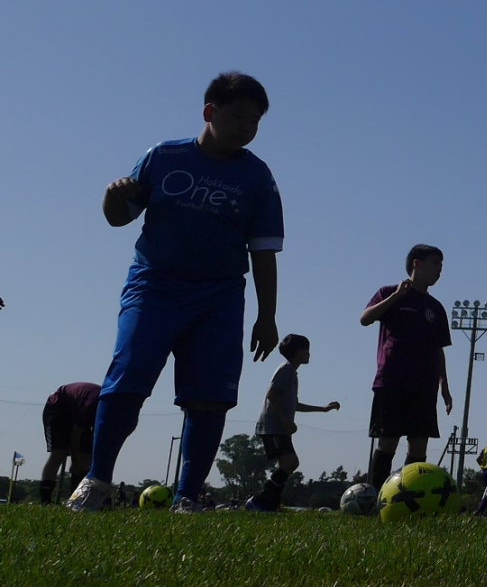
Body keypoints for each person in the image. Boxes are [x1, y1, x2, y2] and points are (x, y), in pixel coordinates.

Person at [69, 73, 285, 514]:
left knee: (209, 397)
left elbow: (263, 252)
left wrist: (267, 316)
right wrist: (113, 195)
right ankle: (97, 480)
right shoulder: (164, 157)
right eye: (239, 116)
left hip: (220, 297)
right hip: (154, 286)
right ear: (209, 112)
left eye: (256, 121)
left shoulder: (257, 176)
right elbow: (119, 218)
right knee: (127, 381)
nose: (247, 127)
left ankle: (188, 496)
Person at [360, 245, 453, 487]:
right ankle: (375, 496)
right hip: (393, 381)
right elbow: (365, 319)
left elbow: (439, 349)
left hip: (424, 385)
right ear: (416, 264)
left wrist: (444, 384)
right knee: (387, 442)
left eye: (441, 266)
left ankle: (410, 497)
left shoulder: (435, 307)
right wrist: (396, 297)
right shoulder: (389, 293)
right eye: (435, 263)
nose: (439, 270)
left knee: (419, 447)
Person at [245, 333, 340, 511]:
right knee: (291, 462)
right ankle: (258, 500)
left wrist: (323, 409)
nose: (309, 354)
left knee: (284, 465)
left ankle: (271, 505)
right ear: (298, 352)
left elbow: (292, 404)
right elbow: (272, 395)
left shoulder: (292, 373)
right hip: (273, 427)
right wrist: (286, 422)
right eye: (306, 350)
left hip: (280, 427)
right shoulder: (286, 369)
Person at [40, 383, 99, 503]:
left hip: (77, 407)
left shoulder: (106, 412)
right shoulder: (91, 406)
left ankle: (77, 499)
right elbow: (75, 435)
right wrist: (75, 462)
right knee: (58, 453)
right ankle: (45, 499)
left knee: (85, 457)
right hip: (58, 408)